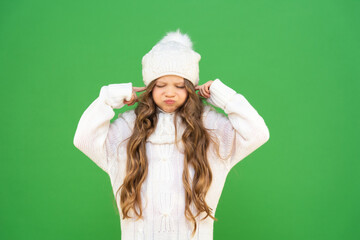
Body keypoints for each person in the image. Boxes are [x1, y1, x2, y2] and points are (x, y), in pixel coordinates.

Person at [73, 29, 270, 240]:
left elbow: (257, 133)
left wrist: (223, 96)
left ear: (191, 87)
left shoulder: (209, 127)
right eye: (160, 85)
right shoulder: (130, 126)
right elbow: (84, 139)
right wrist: (108, 99)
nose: (169, 92)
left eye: (179, 85)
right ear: (149, 87)